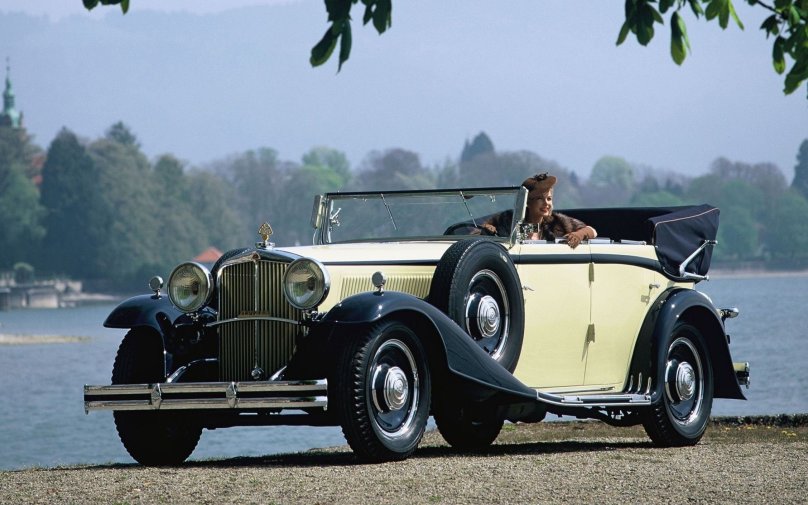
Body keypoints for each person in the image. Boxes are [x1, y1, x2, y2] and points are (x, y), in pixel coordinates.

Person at [479, 173, 597, 249]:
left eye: (549, 199)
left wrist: (579, 235)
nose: (546, 203)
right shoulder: (509, 219)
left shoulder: (557, 222)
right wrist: (488, 230)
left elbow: (592, 231)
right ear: (527, 202)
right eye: (540, 199)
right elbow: (476, 234)